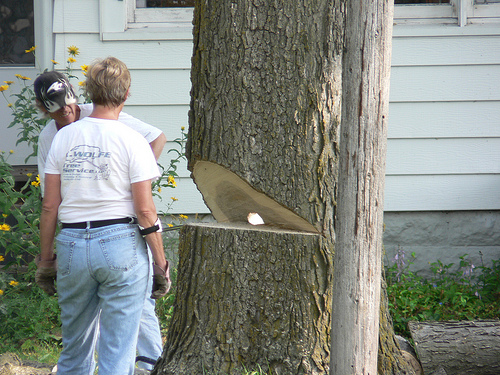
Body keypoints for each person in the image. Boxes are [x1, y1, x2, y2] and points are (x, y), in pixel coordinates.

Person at [35, 57, 170, 375]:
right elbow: (145, 210)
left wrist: (45, 260)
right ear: (125, 95)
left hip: (71, 245)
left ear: (85, 94)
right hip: (120, 243)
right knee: (117, 356)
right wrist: (161, 264)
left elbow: (49, 207)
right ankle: (149, 361)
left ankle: (148, 359)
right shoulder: (132, 139)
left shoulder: (62, 138)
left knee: (74, 352)